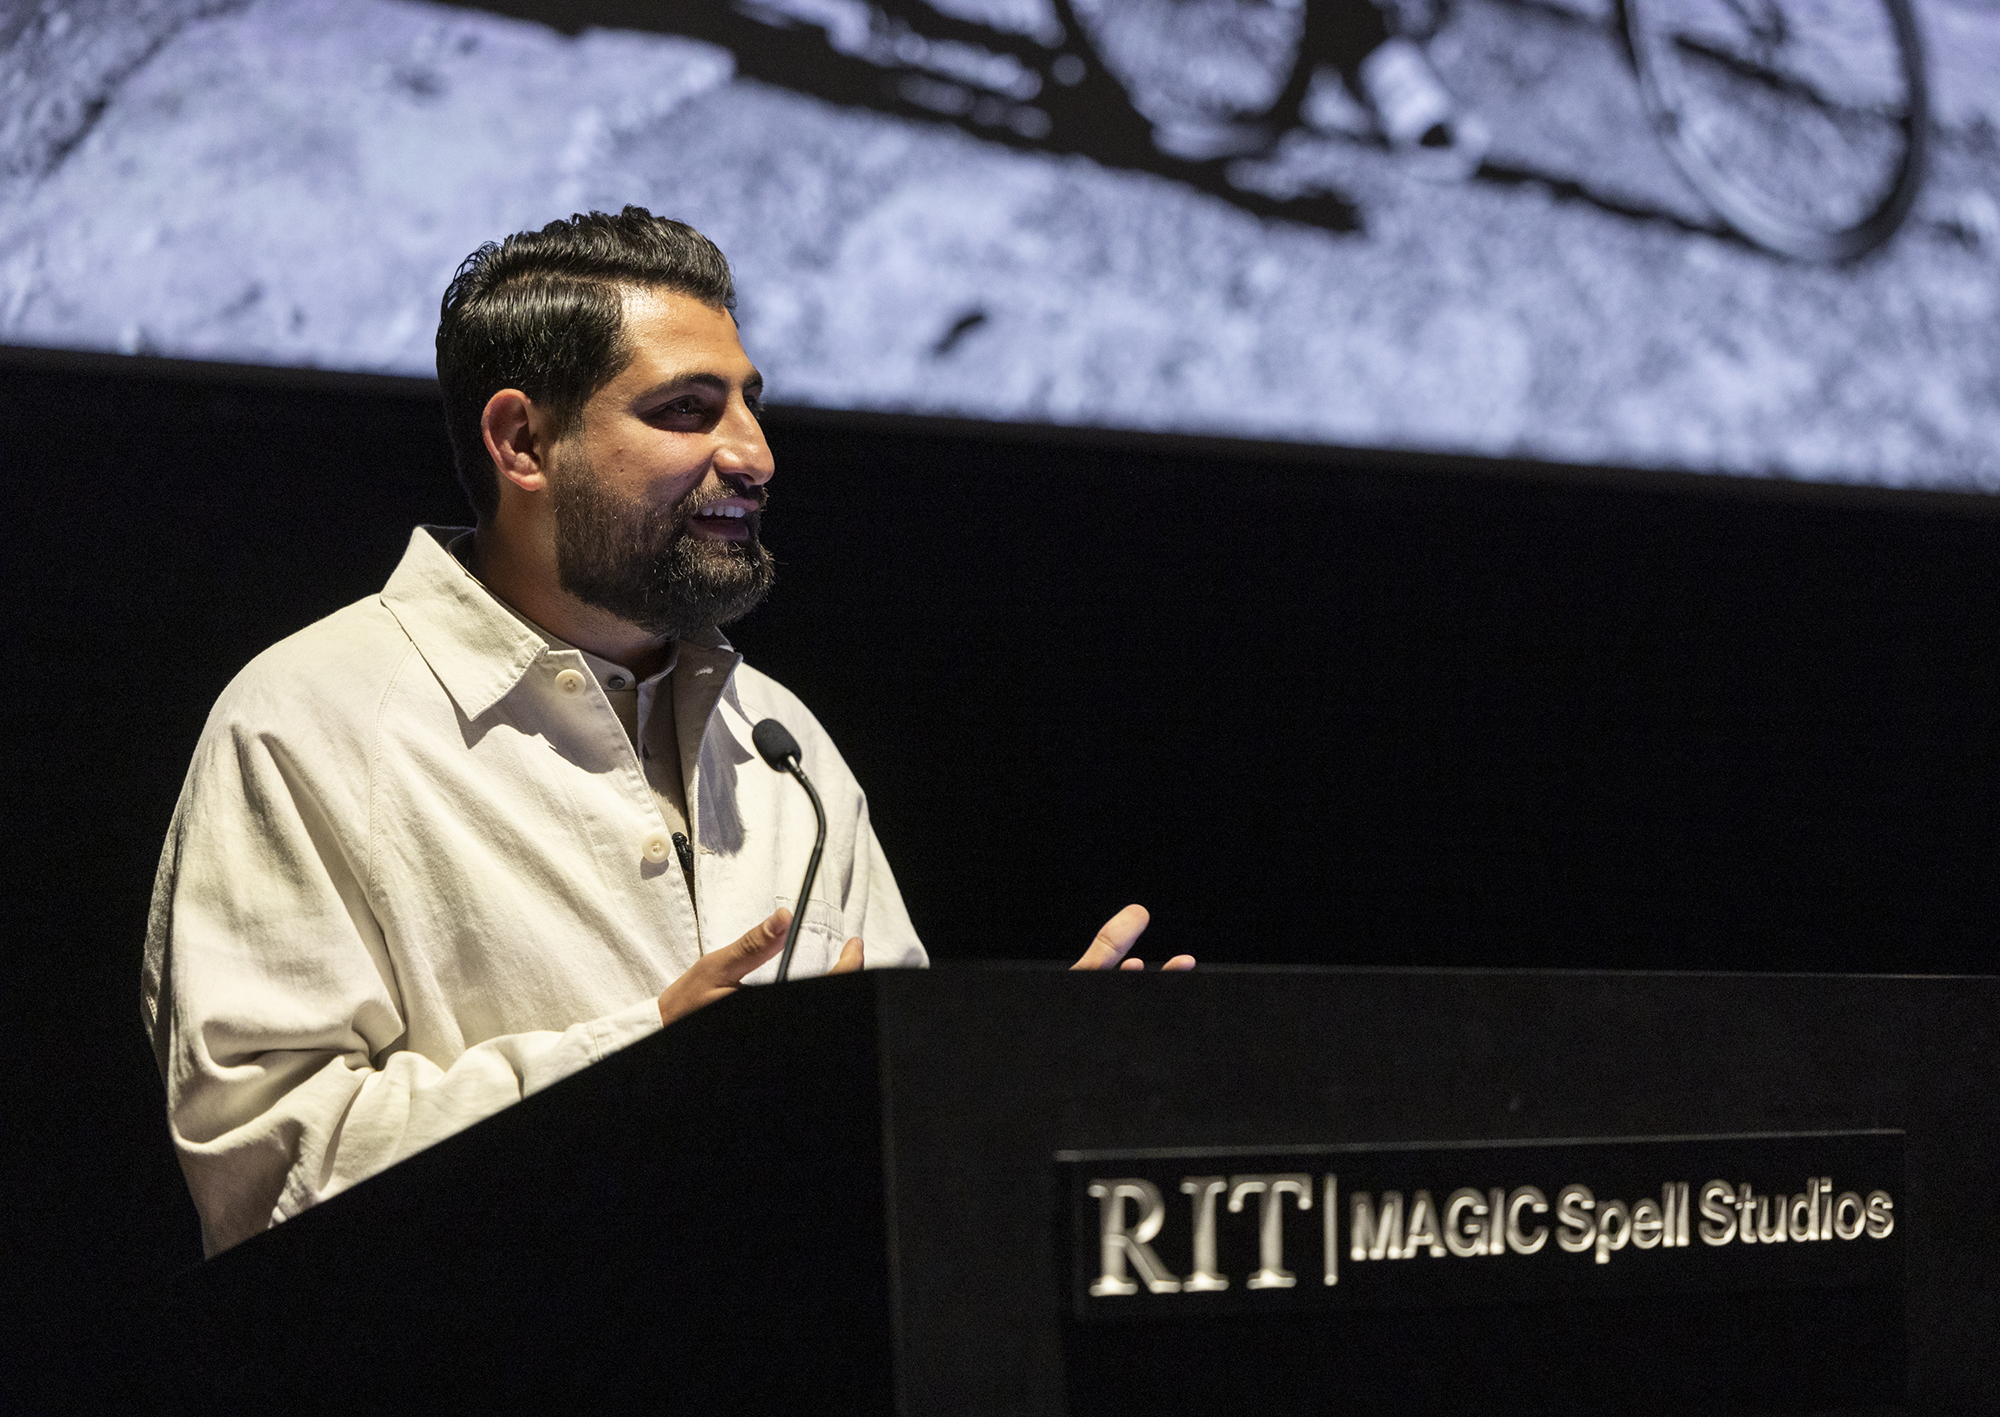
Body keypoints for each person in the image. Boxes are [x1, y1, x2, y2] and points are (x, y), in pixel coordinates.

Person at [141, 208, 1193, 1257]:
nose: (756, 456)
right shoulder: (307, 720)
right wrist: (650, 1067)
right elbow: (266, 1167)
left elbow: (861, 1125)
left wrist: (1015, 1084)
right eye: (687, 411)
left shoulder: (782, 736)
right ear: (522, 442)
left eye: (750, 406)